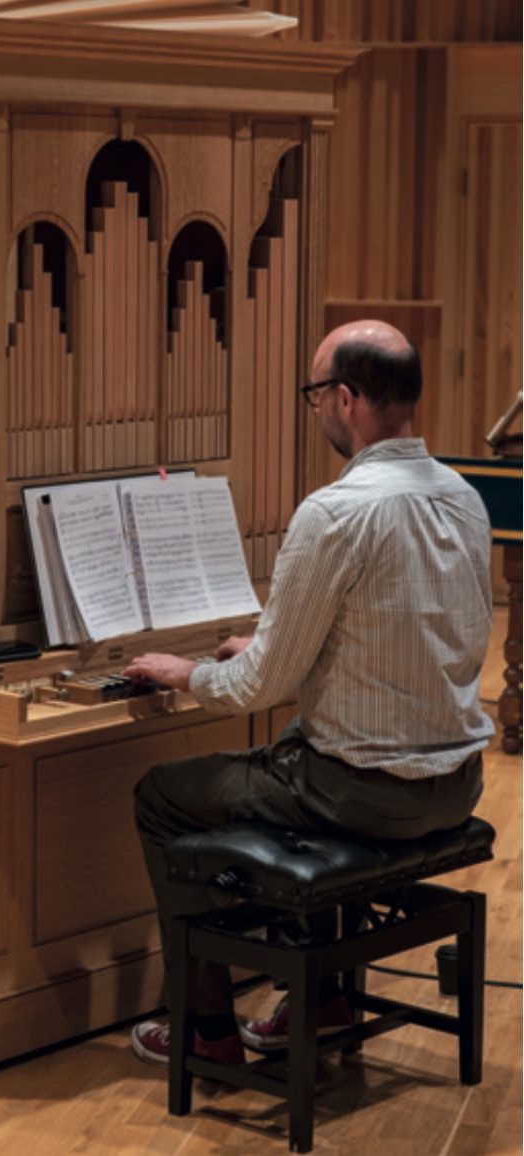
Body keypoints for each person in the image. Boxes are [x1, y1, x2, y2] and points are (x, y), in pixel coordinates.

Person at [122, 319, 493, 1067]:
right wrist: (271, 641)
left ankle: (206, 1030)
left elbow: (260, 685)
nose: (316, 406)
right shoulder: (464, 497)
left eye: (316, 392)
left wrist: (186, 673)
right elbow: (397, 635)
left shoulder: (335, 512)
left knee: (163, 795)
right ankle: (320, 996)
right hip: (455, 785)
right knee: (297, 746)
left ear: (348, 399)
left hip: (365, 794)